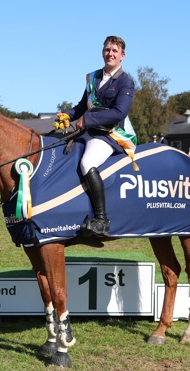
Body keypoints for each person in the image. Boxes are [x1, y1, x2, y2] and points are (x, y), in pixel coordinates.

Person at [58, 36, 137, 237]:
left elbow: (119, 113)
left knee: (87, 163)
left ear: (122, 56)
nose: (110, 54)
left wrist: (87, 120)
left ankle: (102, 221)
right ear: (102, 52)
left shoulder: (125, 81)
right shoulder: (92, 77)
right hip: (89, 132)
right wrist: (67, 114)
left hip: (110, 134)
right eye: (107, 50)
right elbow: (82, 106)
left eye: (114, 51)